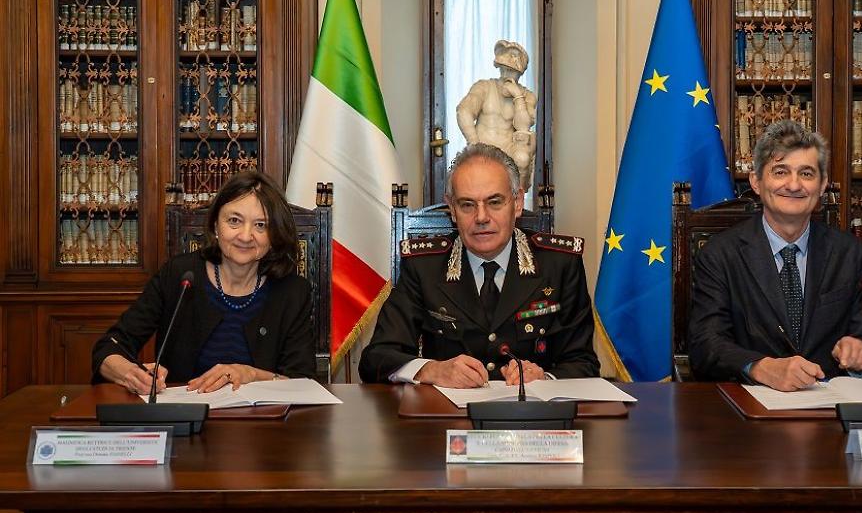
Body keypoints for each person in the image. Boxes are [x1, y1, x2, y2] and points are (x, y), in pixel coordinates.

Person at [359, 143, 599, 388]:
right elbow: (376, 358)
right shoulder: (424, 267)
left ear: (517, 202)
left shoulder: (559, 265)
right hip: (444, 411)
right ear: (452, 209)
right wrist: (431, 370)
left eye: (494, 202)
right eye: (467, 205)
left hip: (530, 409)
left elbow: (583, 364)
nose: (481, 217)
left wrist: (544, 379)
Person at [687, 120, 862, 391]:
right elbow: (706, 345)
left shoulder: (848, 253)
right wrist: (761, 367)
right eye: (780, 172)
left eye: (806, 174)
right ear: (756, 182)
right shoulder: (720, 255)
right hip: (750, 404)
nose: (793, 185)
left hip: (828, 404)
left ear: (822, 185)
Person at [92, 170, 315, 395]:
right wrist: (131, 374)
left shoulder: (293, 292)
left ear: (274, 235)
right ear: (215, 226)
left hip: (262, 416)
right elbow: (109, 348)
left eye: (260, 225)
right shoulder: (179, 275)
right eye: (234, 221)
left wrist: (251, 374)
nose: (246, 236)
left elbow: (303, 382)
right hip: (185, 412)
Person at [456, 40, 537, 190]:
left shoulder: (528, 96)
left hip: (510, 152)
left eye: (512, 71)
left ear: (520, 72)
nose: (507, 74)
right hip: (483, 148)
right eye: (504, 69)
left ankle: (517, 198)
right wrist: (474, 144)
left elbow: (523, 128)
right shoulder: (484, 87)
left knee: (522, 158)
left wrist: (517, 96)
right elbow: (463, 111)